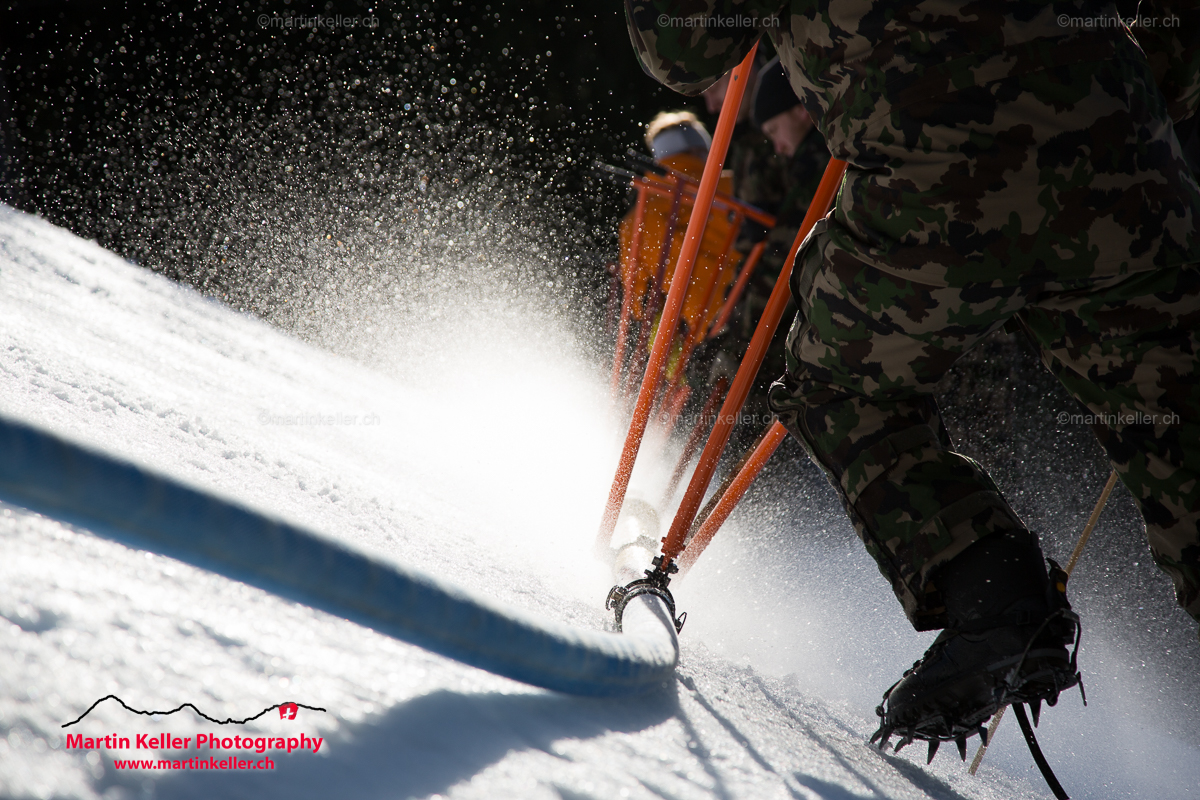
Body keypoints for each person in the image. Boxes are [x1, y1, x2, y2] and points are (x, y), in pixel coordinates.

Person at [623, 0, 1200, 754]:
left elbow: (683, 48)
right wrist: (1081, 98)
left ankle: (995, 596)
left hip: (939, 176)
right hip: (1126, 161)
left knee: (837, 385)